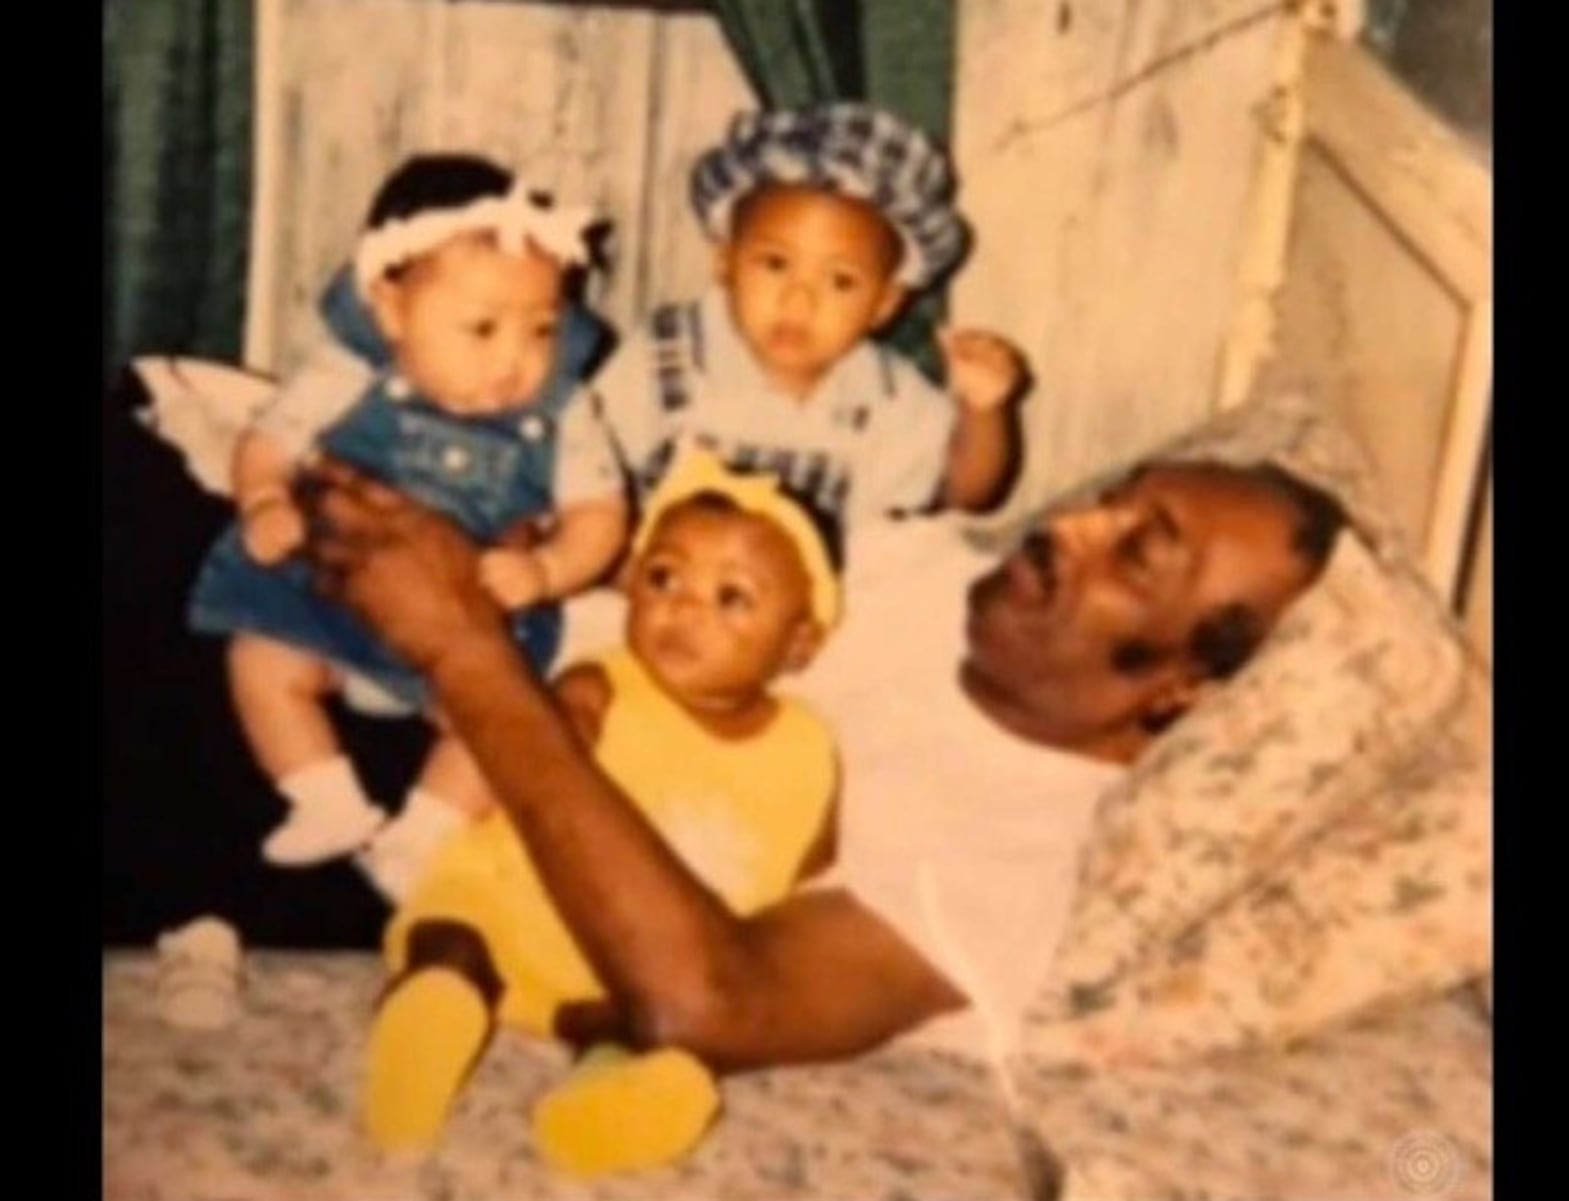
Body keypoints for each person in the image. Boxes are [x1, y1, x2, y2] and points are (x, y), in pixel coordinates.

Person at [297, 451, 1346, 1075]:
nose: (1067, 525)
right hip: (410, 681)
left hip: (410, 839)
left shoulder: (1006, 856)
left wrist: (460, 647)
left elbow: (708, 1004)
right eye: (1111, 498)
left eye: (1136, 551)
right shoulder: (923, 564)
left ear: (1181, 688)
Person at [362, 449, 844, 1172]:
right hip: (505, 905)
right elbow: (534, 752)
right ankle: (432, 1013)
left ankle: (604, 1102)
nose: (683, 605)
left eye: (732, 596)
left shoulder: (808, 748)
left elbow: (813, 876)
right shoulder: (602, 680)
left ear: (799, 642)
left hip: (634, 969)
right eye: (663, 576)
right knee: (451, 939)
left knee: (645, 1029)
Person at [185, 153, 629, 899]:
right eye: (482, 328)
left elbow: (602, 512)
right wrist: (264, 499)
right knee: (259, 658)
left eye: (542, 328)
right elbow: (267, 439)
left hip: (472, 623)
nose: (516, 360)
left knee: (502, 726)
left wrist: (550, 570)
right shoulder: (344, 371)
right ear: (389, 310)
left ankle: (423, 836)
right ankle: (324, 798)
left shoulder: (566, 406)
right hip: (330, 599)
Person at [592, 101, 1026, 529]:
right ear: (725, 260)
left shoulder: (885, 396)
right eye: (776, 264)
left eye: (840, 281)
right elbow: (584, 476)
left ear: (885, 303)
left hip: (818, 597)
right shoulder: (667, 358)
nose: (799, 301)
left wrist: (985, 410)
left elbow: (967, 492)